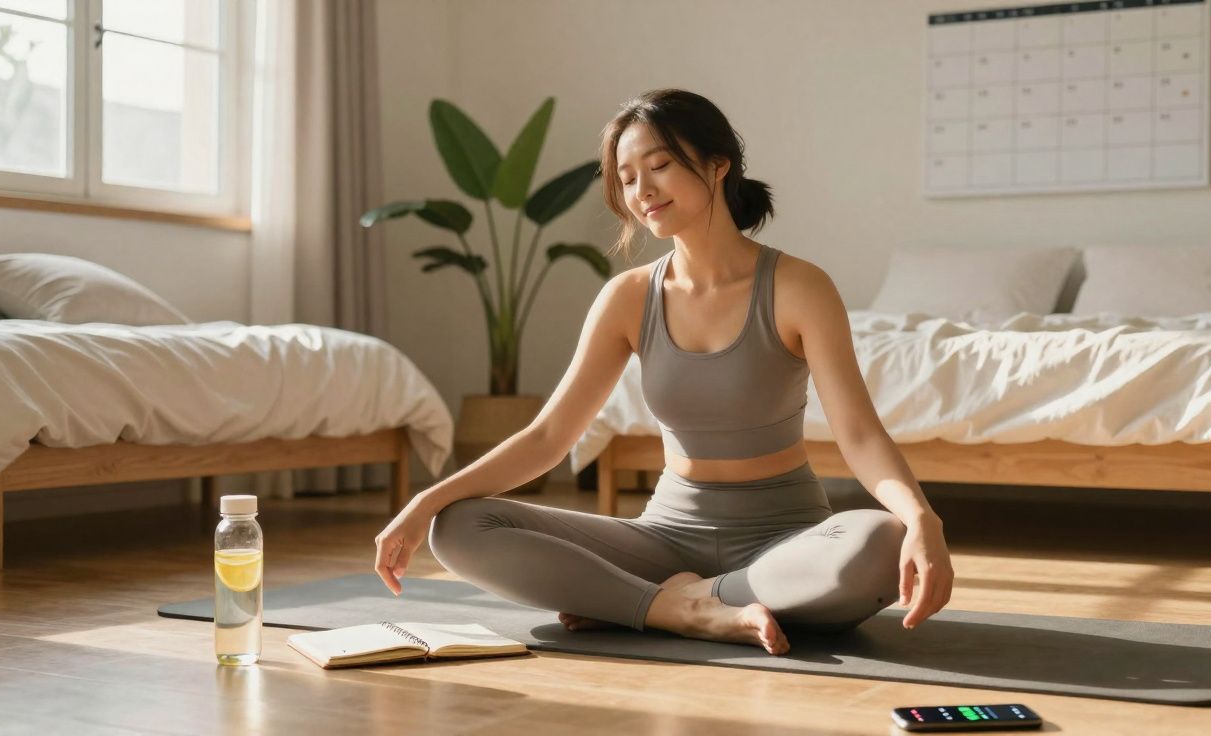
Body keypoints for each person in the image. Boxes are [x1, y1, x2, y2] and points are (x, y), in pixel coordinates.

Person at [374, 89, 954, 656]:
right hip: (664, 539)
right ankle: (674, 607)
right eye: (627, 178)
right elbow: (549, 437)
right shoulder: (627, 298)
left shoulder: (798, 287)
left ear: (718, 165)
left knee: (881, 541)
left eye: (660, 166)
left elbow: (858, 434)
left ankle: (666, 602)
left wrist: (920, 516)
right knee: (457, 527)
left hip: (786, 541)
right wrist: (427, 500)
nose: (642, 191)